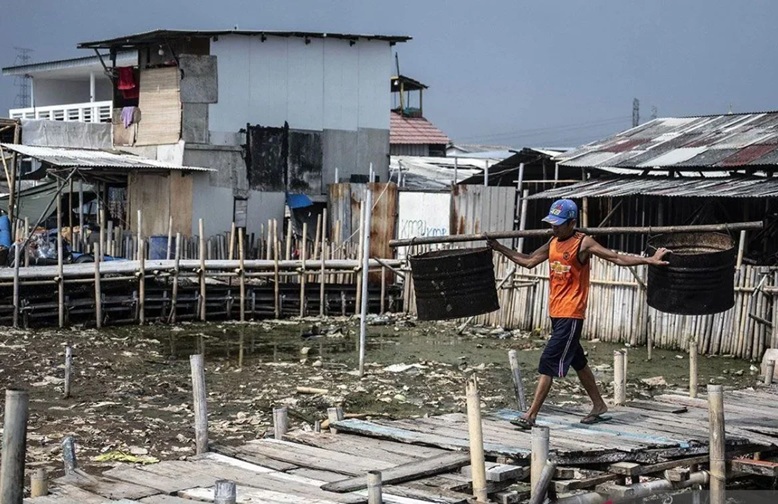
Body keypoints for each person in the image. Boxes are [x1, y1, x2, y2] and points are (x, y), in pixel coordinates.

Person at [486, 199, 670, 428]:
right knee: (577, 361)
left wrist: (648, 260)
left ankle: (530, 415)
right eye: (552, 223)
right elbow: (529, 261)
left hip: (572, 313)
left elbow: (616, 257)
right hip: (556, 312)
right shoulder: (553, 242)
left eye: (559, 224)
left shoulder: (583, 243)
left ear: (572, 223)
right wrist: (498, 247)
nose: (554, 228)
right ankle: (599, 405)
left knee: (548, 362)